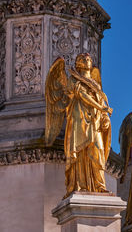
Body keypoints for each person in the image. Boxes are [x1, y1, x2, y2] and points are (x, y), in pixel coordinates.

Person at [45, 53, 112, 198]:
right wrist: (102, 109)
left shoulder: (96, 84)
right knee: (80, 153)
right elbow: (82, 95)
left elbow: (101, 100)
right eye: (83, 59)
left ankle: (99, 186)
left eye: (89, 59)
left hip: (94, 122)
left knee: (98, 152)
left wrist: (105, 117)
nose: (87, 61)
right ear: (78, 64)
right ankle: (79, 184)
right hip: (78, 120)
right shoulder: (73, 80)